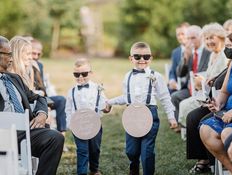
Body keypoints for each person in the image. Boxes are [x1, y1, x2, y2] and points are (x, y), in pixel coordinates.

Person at [107, 42, 177, 175]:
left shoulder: (156, 76)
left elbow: (165, 97)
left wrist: (171, 117)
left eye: (146, 57)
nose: (142, 60)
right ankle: (134, 164)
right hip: (131, 115)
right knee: (131, 151)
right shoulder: (127, 76)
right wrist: (110, 102)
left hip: (150, 114)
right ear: (131, 58)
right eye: (137, 56)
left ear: (151, 58)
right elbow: (126, 97)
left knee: (147, 151)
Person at [0, 36, 64, 175]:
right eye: (8, 54)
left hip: (24, 132)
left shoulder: (13, 78)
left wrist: (42, 114)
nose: (12, 58)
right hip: (2, 133)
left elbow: (38, 97)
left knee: (56, 138)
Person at [65, 58, 111, 175]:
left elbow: (105, 105)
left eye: (84, 74)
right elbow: (68, 109)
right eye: (76, 74)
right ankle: (82, 173)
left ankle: (94, 169)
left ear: (91, 73)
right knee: (82, 150)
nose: (80, 77)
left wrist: (107, 107)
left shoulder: (98, 89)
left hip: (95, 124)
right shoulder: (71, 91)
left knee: (95, 149)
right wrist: (70, 124)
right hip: (78, 125)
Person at [199, 27, 232, 174]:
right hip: (227, 113)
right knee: (206, 130)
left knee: (227, 133)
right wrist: (217, 103)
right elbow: (225, 91)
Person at [178, 22, 228, 128]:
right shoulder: (213, 54)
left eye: (211, 38)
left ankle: (190, 130)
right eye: (206, 38)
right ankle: (188, 130)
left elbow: (222, 80)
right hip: (207, 94)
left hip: (218, 98)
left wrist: (203, 81)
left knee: (187, 109)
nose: (209, 41)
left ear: (221, 37)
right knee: (184, 105)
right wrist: (200, 81)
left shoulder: (225, 55)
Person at [171, 25, 211, 128]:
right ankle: (182, 126)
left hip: (203, 88)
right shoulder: (189, 53)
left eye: (193, 38)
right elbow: (179, 73)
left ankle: (190, 125)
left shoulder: (208, 51)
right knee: (175, 96)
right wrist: (185, 58)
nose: (190, 41)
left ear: (201, 37)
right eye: (188, 38)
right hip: (190, 88)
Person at [31, 39, 67, 145]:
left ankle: (62, 134)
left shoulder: (40, 65)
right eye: (33, 53)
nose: (36, 56)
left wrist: (48, 102)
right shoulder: (26, 65)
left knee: (61, 100)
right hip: (34, 97)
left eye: (39, 53)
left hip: (43, 96)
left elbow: (42, 86)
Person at [168, 22, 190, 94]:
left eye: (182, 34)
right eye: (178, 34)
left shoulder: (194, 50)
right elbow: (172, 71)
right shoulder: (175, 52)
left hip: (189, 85)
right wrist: (172, 80)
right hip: (177, 85)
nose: (180, 37)